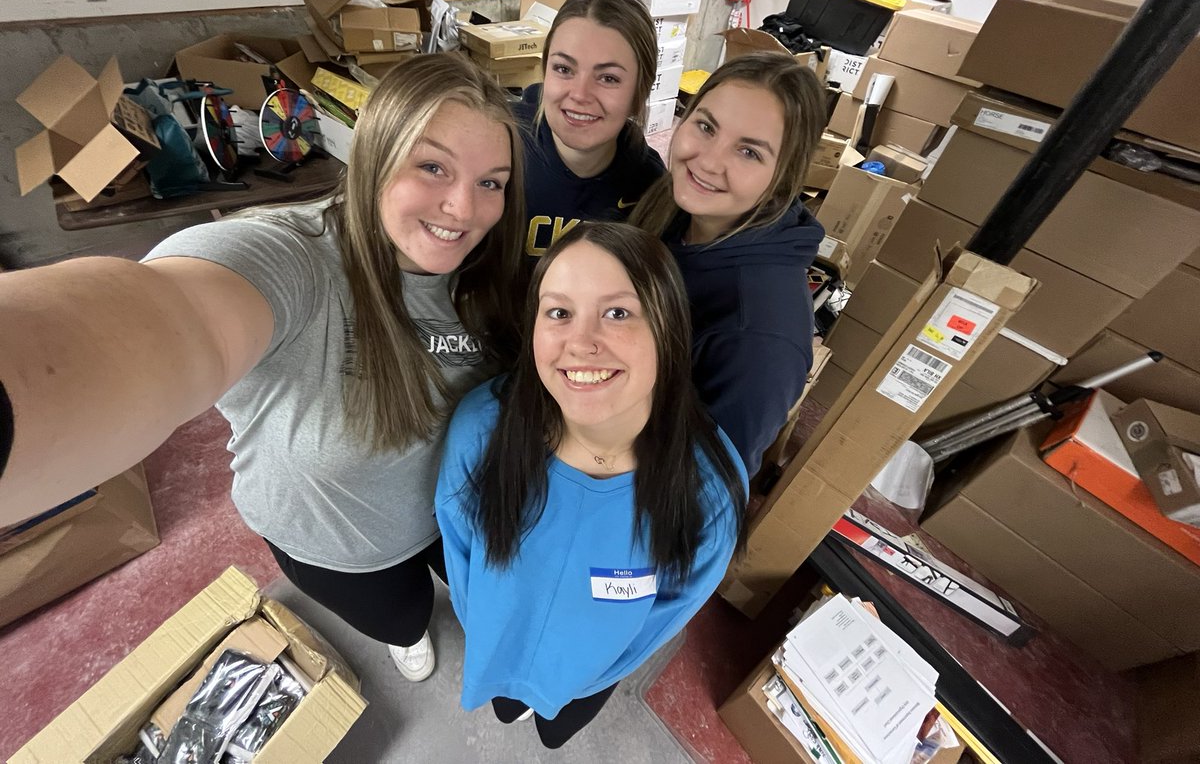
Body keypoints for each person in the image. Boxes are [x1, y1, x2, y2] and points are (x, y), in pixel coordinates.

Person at [0, 53, 526, 682]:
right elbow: (173, 316)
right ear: (378, 157)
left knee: (470, 592)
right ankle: (406, 633)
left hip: (446, 512)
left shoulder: (486, 274)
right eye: (432, 166)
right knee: (405, 616)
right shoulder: (297, 260)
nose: (463, 210)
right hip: (345, 548)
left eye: (491, 182)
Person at [435, 221, 747, 749]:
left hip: (589, 677)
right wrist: (486, 633)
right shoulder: (482, 431)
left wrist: (600, 673)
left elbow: (669, 610)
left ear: (667, 329)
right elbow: (460, 551)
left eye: (618, 313)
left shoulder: (708, 490)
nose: (580, 343)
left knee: (556, 732)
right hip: (496, 648)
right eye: (558, 313)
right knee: (507, 704)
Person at [630, 51, 827, 480]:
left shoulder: (759, 338)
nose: (708, 161)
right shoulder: (676, 210)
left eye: (749, 153)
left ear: (784, 176)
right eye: (705, 126)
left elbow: (704, 492)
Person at [514, 0, 666, 260]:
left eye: (608, 78)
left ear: (639, 93)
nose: (580, 95)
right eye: (563, 69)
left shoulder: (649, 186)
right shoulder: (500, 147)